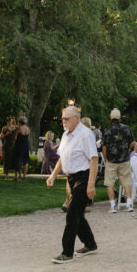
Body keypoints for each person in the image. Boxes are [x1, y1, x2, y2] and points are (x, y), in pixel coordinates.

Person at [46, 105, 98, 263]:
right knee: (78, 214)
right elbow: (63, 157)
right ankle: (90, 244)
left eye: (67, 119)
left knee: (72, 214)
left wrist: (91, 185)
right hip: (71, 178)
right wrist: (53, 175)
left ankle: (67, 253)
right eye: (63, 118)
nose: (64, 121)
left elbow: (94, 159)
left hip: (83, 177)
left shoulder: (86, 134)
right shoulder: (66, 134)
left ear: (76, 118)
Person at [100, 108, 133, 213]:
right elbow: (133, 142)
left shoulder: (107, 130)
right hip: (124, 159)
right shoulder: (127, 128)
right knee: (126, 182)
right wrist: (127, 149)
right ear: (119, 117)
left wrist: (105, 159)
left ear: (110, 117)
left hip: (111, 160)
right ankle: (129, 204)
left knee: (110, 183)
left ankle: (113, 206)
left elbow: (104, 147)